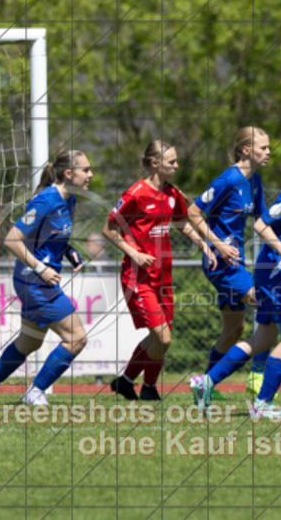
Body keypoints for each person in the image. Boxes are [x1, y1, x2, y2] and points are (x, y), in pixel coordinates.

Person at [190, 137, 281, 418]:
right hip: (276, 270)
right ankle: (262, 404)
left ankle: (205, 382)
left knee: (263, 338)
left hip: (274, 266)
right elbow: (261, 224)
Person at [0, 150, 93, 406]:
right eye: (86, 169)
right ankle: (35, 391)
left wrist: (69, 251)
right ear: (69, 174)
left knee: (30, 342)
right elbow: (11, 240)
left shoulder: (69, 200)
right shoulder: (44, 200)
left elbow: (50, 237)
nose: (90, 174)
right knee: (76, 338)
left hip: (38, 280)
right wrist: (41, 268)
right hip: (34, 281)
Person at [103, 140, 216, 402]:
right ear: (155, 164)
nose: (177, 166)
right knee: (162, 338)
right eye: (172, 162)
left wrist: (201, 243)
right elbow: (108, 230)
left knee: (162, 338)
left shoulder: (171, 193)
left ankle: (140, 385)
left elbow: (180, 223)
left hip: (163, 277)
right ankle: (135, 382)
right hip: (137, 278)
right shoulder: (135, 194)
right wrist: (134, 253)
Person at [186, 127, 274, 398]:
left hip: (237, 263)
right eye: (263, 148)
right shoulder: (227, 180)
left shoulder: (254, 180)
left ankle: (206, 388)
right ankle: (257, 374)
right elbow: (193, 212)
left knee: (234, 329)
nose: (269, 152)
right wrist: (218, 244)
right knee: (269, 305)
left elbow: (262, 221)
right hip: (222, 265)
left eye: (269, 147)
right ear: (246, 150)